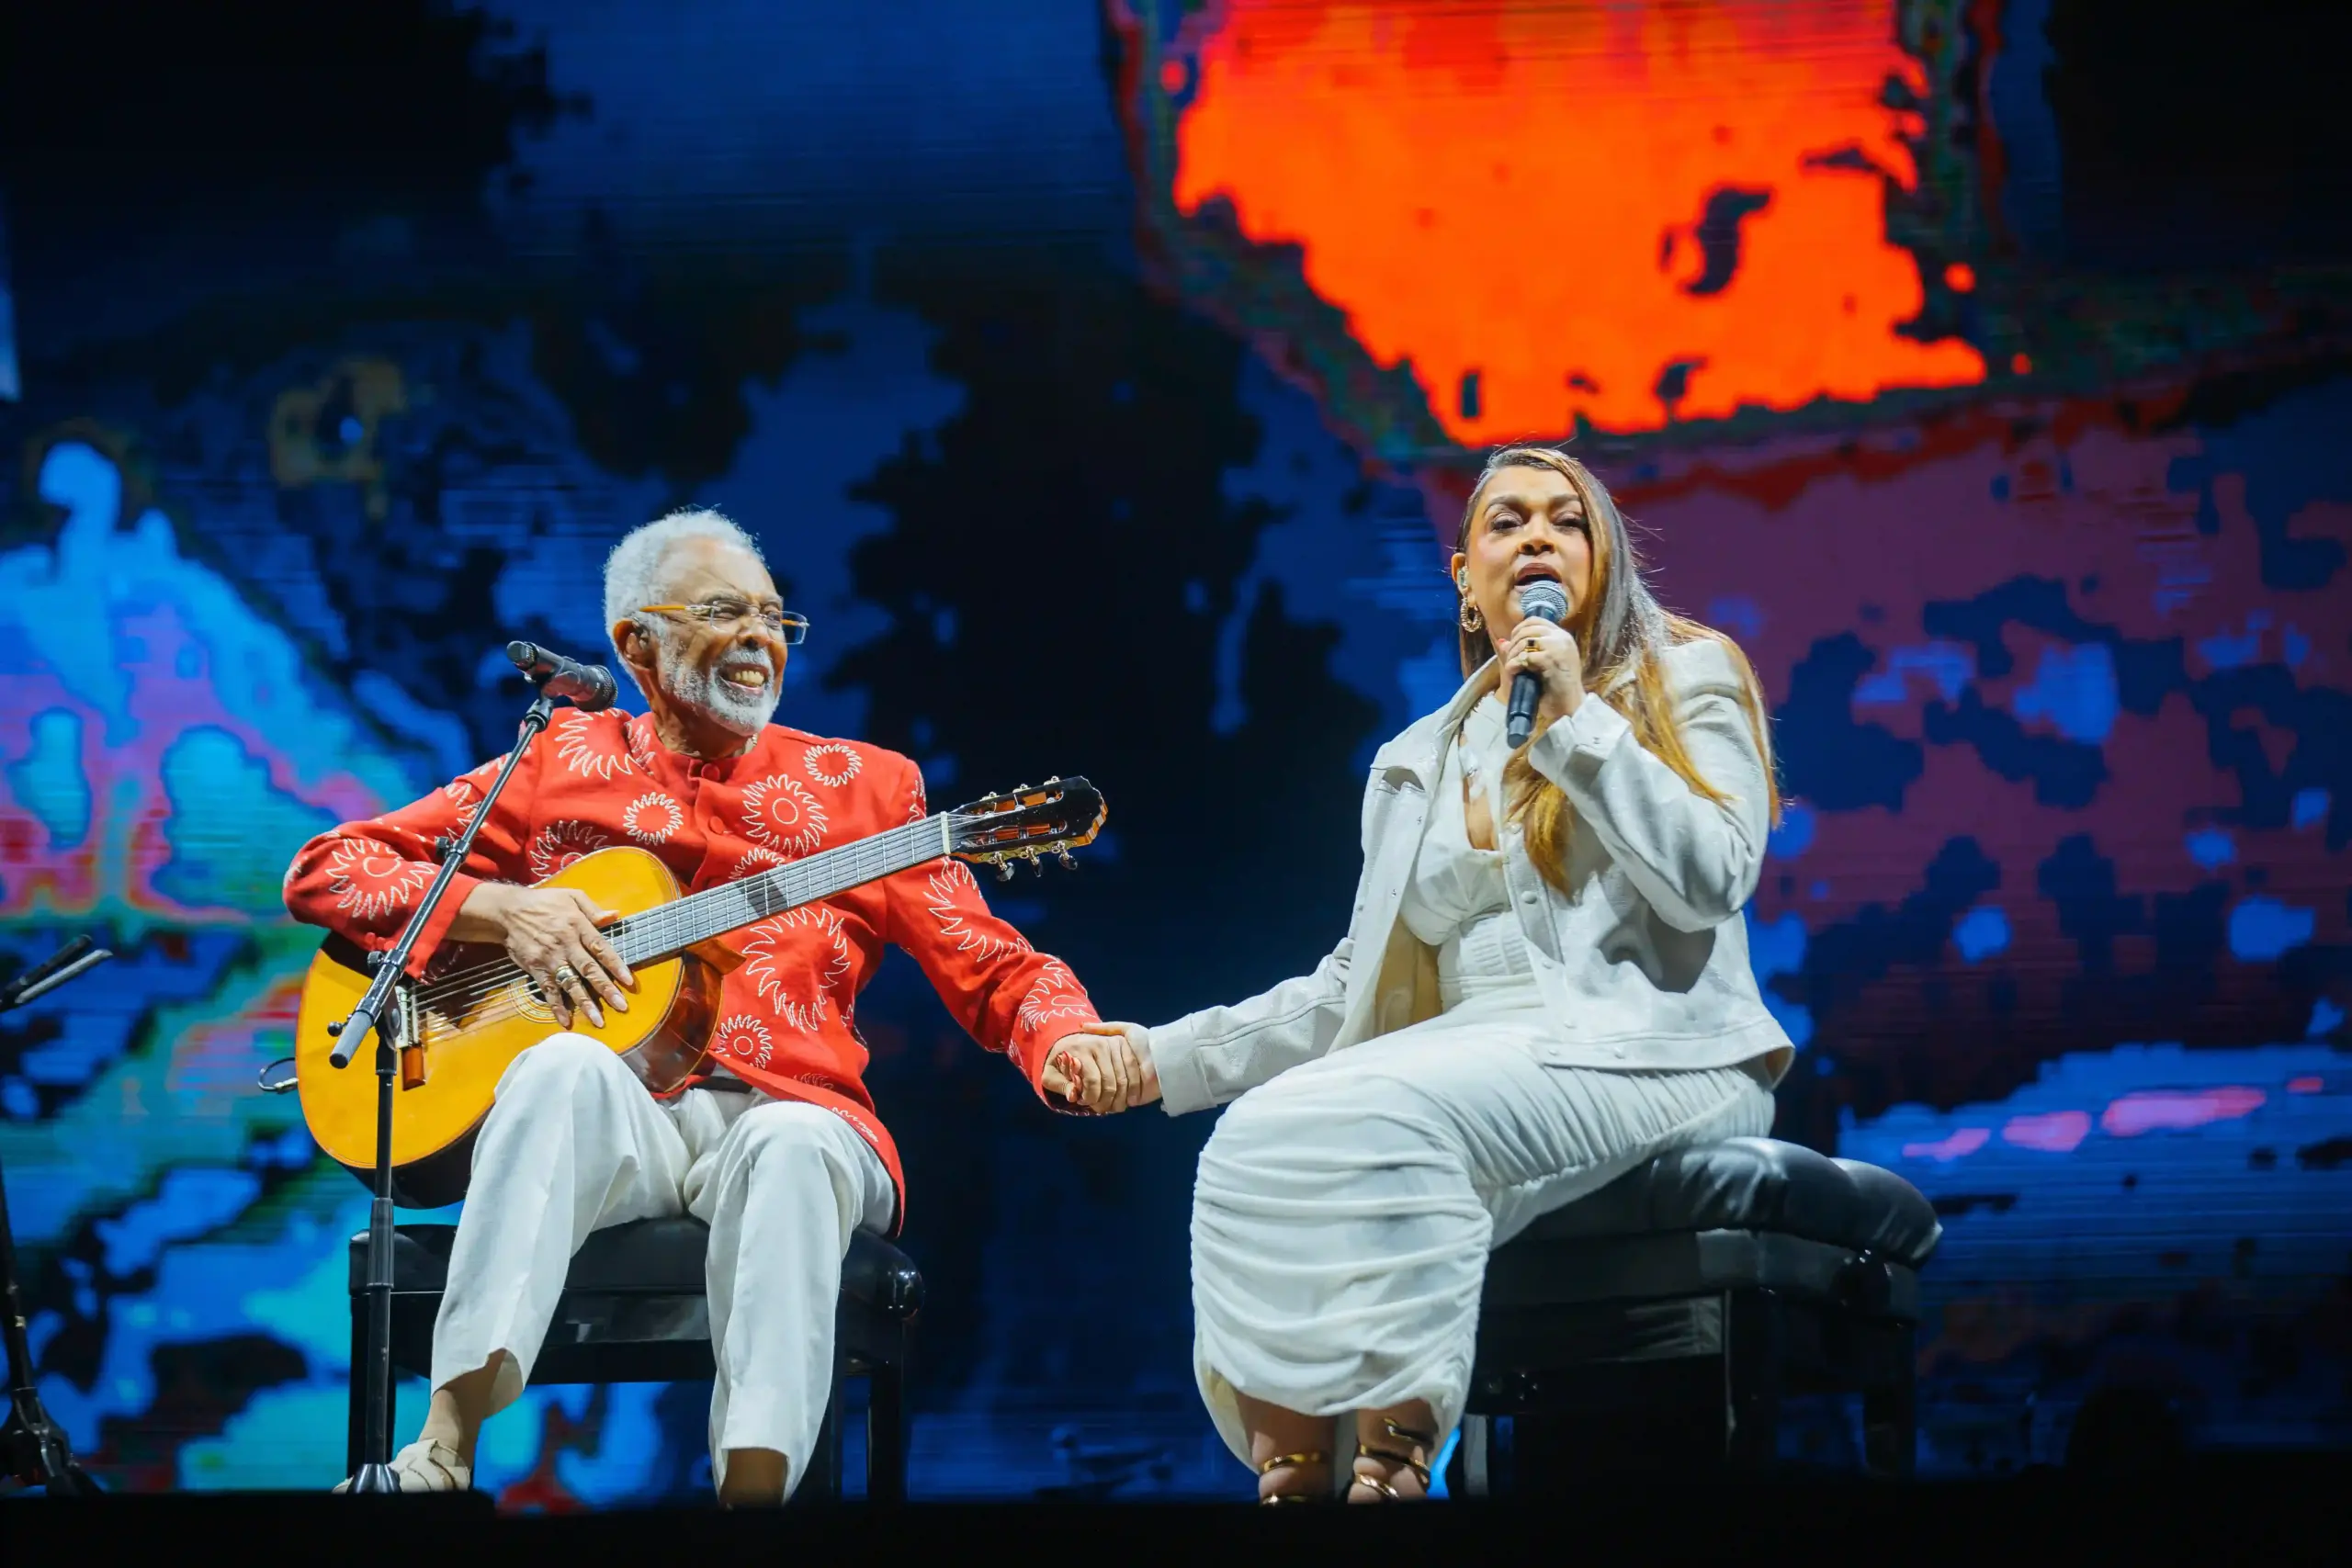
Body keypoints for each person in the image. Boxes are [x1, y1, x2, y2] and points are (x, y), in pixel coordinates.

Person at [283, 507, 1147, 1504]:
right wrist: (507, 911)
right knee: (559, 1065)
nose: (759, 638)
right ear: (635, 643)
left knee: (790, 1144)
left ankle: (753, 1501)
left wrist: (1066, 1035)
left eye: (776, 618)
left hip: (800, 1113)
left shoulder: (864, 788)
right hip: (624, 1128)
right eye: (725, 611)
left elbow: (990, 963)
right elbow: (328, 869)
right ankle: (443, 1449)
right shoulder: (556, 761)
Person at [1105, 445, 1794, 1501]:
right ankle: (1294, 1471)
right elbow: (1351, 986)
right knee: (1253, 1135)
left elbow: (1712, 879)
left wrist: (1576, 723)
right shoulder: (1414, 758)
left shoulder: (1684, 677)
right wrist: (1162, 1059)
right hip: (1474, 1046)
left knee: (1397, 1123)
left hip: (1659, 1047)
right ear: (1466, 579)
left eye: (1567, 521)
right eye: (1507, 522)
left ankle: (1394, 1459)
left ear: (1602, 560)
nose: (1538, 538)